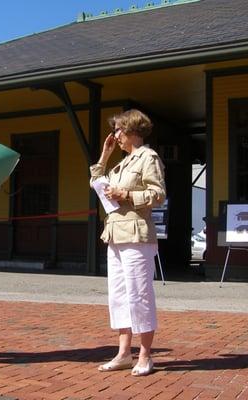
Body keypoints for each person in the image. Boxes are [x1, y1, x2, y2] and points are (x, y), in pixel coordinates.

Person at [89, 109, 166, 377]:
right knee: (119, 295)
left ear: (132, 129)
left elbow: (158, 194)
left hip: (137, 235)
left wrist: (126, 194)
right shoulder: (122, 162)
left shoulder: (148, 157)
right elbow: (96, 183)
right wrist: (105, 155)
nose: (115, 135)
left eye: (119, 130)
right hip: (116, 234)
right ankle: (124, 353)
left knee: (139, 294)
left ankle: (145, 355)